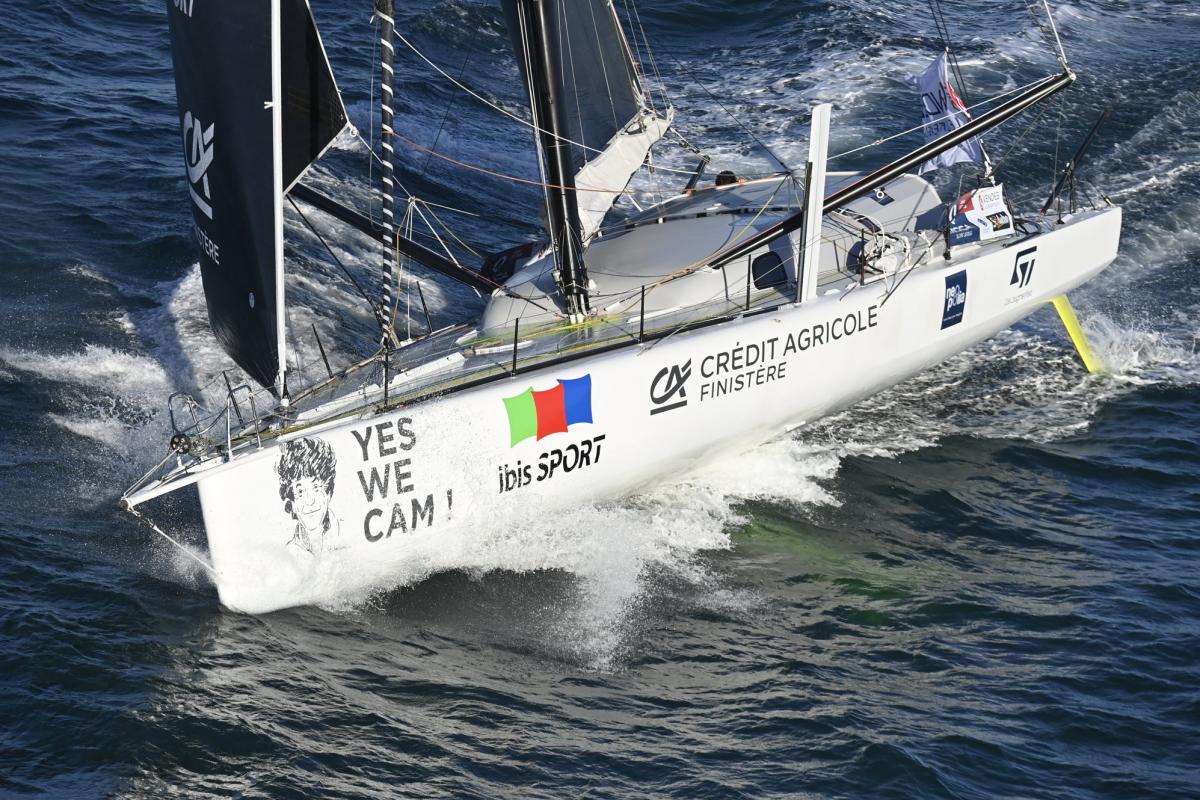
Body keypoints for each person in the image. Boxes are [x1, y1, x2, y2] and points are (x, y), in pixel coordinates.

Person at [275, 437, 340, 559]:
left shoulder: (345, 536)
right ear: (292, 504)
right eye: (300, 492)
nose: (310, 501)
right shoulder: (290, 555)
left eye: (316, 488)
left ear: (328, 493)